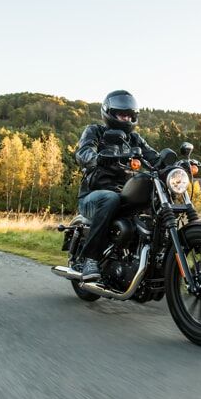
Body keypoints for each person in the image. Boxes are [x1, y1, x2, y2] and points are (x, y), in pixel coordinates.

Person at [74, 90, 159, 281]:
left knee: (154, 201)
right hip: (93, 195)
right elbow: (83, 153)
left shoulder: (135, 139)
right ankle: (90, 259)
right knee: (110, 198)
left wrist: (173, 165)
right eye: (122, 114)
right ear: (109, 113)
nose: (126, 118)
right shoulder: (95, 131)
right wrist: (97, 158)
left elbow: (154, 157)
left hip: (124, 194)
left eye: (130, 115)